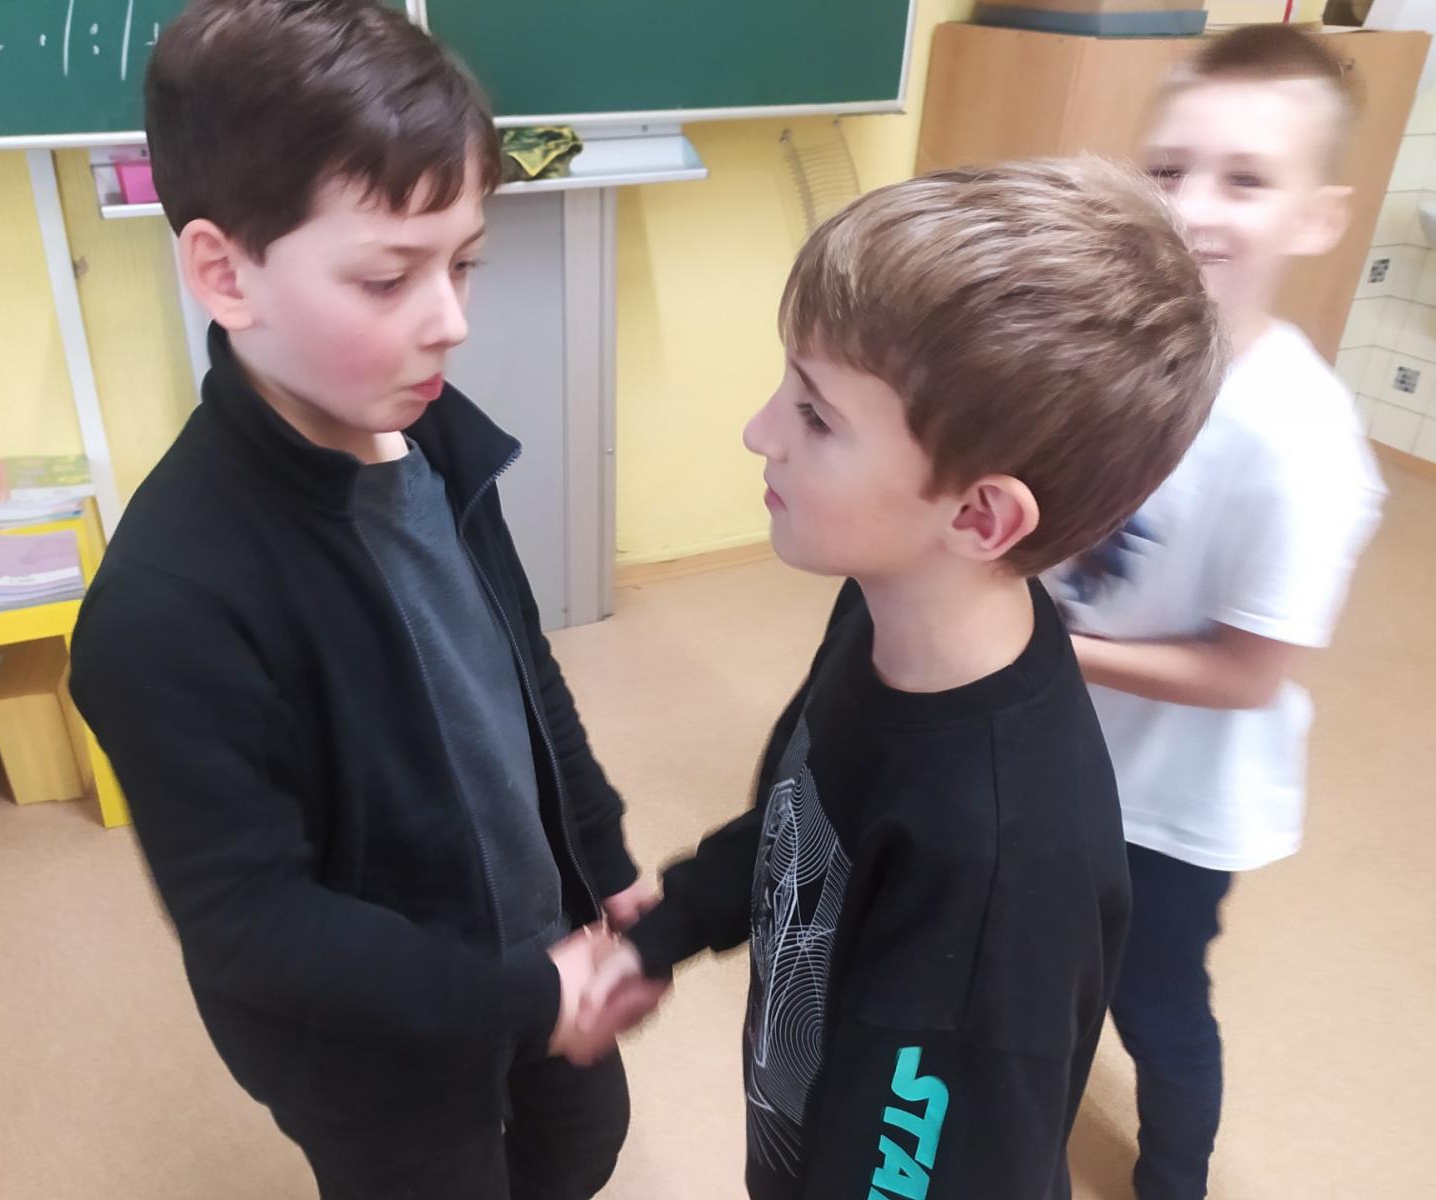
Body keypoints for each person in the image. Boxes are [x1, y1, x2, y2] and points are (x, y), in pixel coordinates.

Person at [68, 3, 661, 1196]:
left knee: (576, 1151)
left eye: (464, 261)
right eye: (389, 277)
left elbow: (518, 670)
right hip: (375, 1051)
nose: (451, 320)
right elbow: (256, 927)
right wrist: (523, 997)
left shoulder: (430, 430)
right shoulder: (162, 609)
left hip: (532, 940)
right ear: (224, 272)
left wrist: (597, 851)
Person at [579, 157, 1227, 1199]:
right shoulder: (878, 608)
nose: (758, 431)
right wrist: (662, 931)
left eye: (816, 415)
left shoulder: (999, 871)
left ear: (978, 515)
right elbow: (806, 818)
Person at [1049, 26, 1385, 1200]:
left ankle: (1176, 1177)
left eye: (1244, 179)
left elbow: (1247, 673)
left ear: (1316, 218)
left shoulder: (1300, 446)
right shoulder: (1107, 358)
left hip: (1176, 807)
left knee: (1153, 1003)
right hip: (1066, 748)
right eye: (1166, 168)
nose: (1190, 207)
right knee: (1049, 968)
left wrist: (1050, 653)